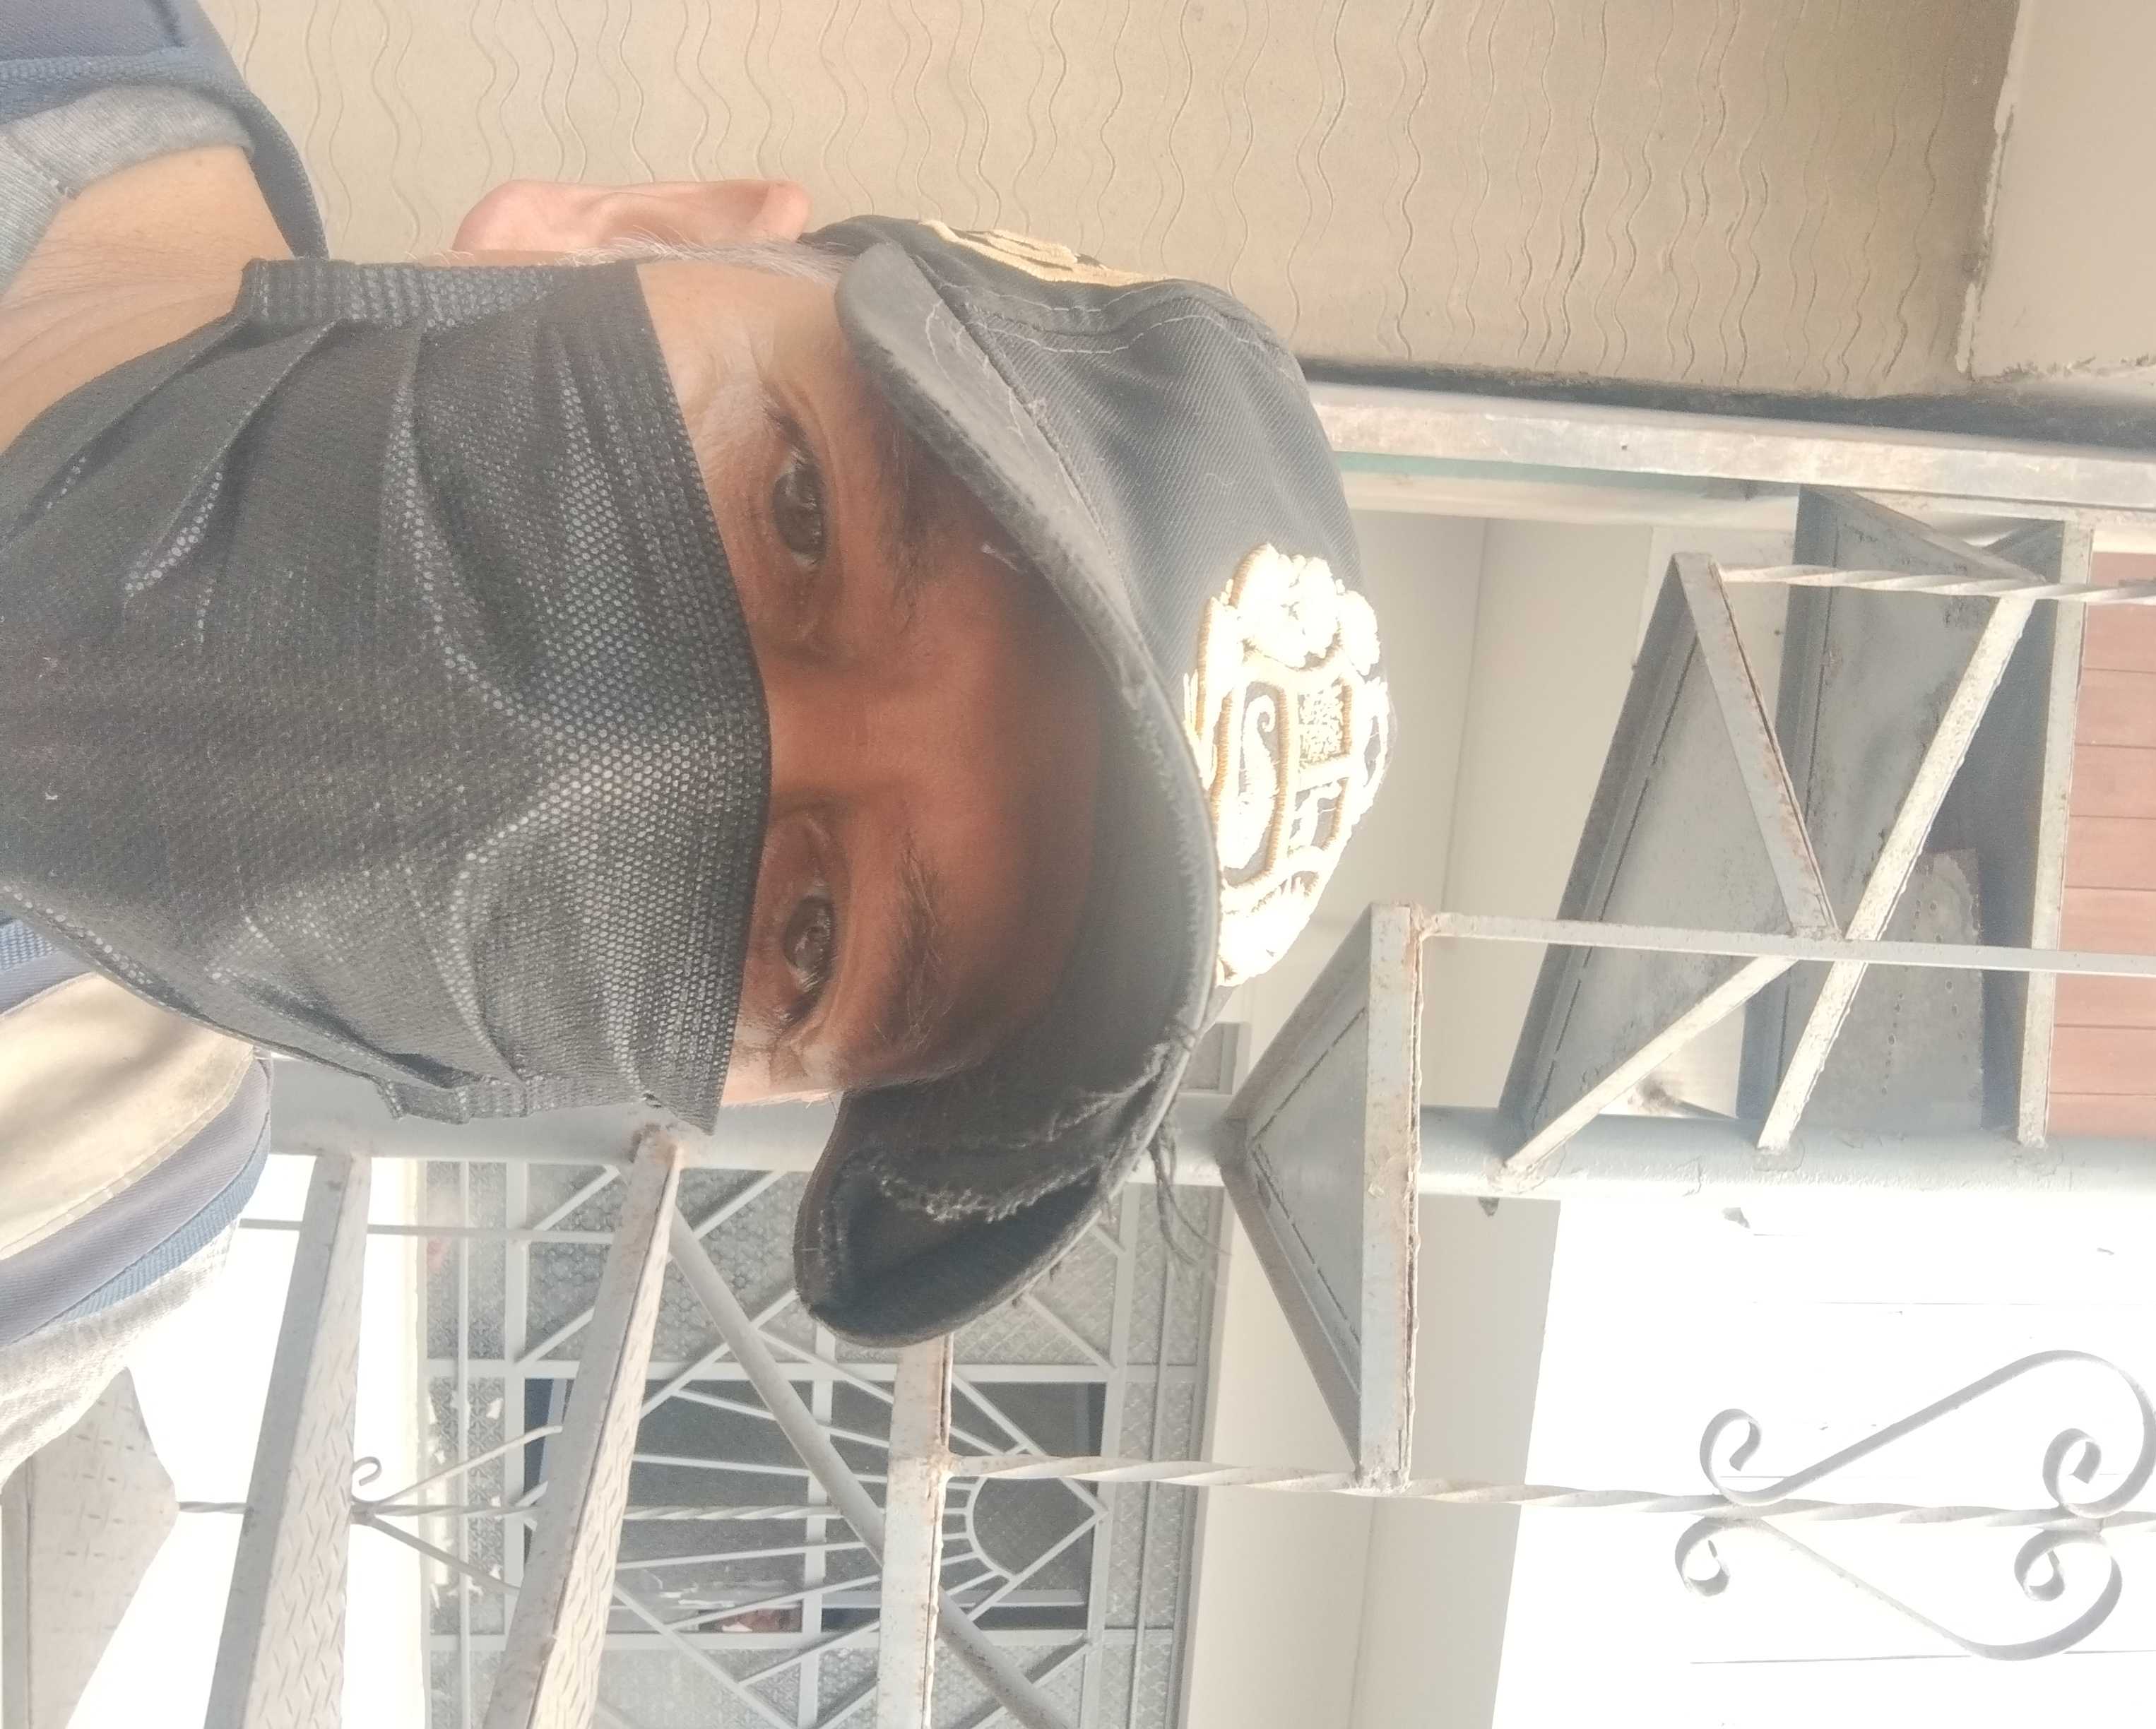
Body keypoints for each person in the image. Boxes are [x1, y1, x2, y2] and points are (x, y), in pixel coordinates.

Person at [0, 0, 1393, 1477]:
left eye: (810, 937)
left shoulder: (92, 1211)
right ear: (625, 232)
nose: (581, 763)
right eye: (797, 507)